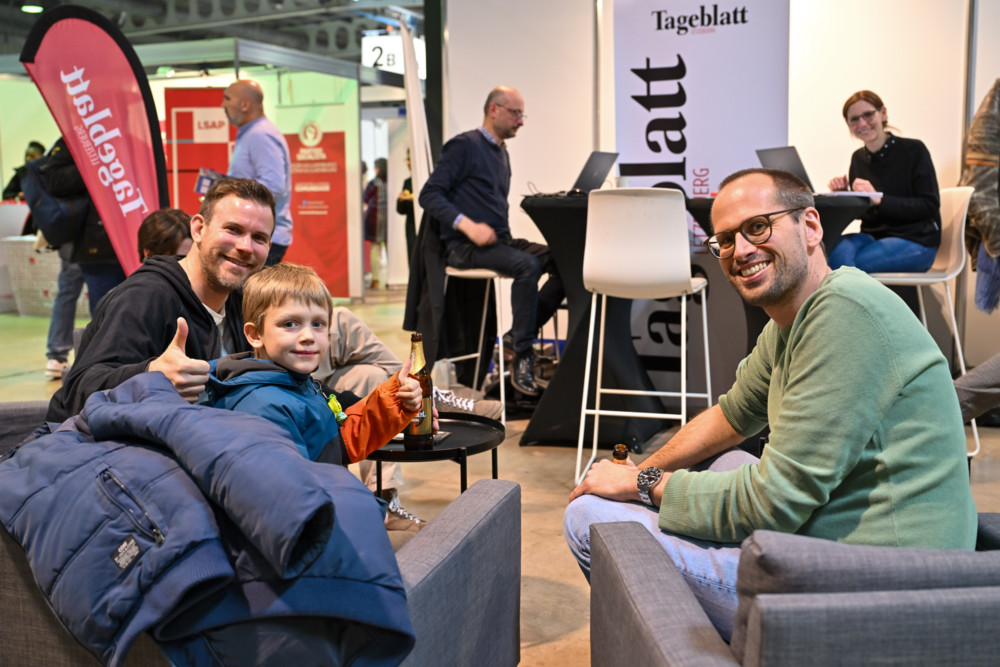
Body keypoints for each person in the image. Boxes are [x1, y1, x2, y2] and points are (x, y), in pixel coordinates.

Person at [563, 168, 977, 641]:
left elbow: (774, 502)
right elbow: (731, 415)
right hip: (849, 551)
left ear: (811, 226)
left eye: (758, 227)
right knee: (723, 462)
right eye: (725, 240)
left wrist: (641, 484)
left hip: (885, 592)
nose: (740, 251)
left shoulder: (845, 315)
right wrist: (642, 471)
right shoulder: (796, 320)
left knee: (586, 518)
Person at [46, 177, 274, 423]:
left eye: (259, 238)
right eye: (233, 229)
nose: (246, 247)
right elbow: (77, 394)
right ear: (198, 229)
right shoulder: (145, 297)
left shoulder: (243, 302)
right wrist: (151, 375)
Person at [202, 262, 421, 485]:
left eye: (318, 323)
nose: (308, 336)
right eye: (290, 324)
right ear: (255, 334)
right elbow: (293, 491)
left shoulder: (297, 384)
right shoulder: (265, 408)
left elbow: (339, 444)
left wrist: (396, 400)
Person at [419, 85, 564, 396]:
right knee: (527, 266)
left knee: (565, 260)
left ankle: (514, 338)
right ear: (493, 109)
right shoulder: (464, 146)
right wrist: (467, 225)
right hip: (464, 247)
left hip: (499, 242)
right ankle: (522, 354)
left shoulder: (501, 152)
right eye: (515, 113)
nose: (520, 121)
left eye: (522, 115)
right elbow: (429, 194)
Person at [827, 90, 941, 273]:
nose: (862, 123)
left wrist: (880, 200)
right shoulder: (858, 158)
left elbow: (929, 205)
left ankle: (850, 292)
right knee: (830, 255)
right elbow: (867, 214)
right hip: (873, 236)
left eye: (868, 115)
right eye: (854, 119)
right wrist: (845, 197)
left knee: (849, 268)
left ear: (883, 114)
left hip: (917, 239)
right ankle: (848, 291)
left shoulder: (914, 150)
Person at [222, 79, 292, 266]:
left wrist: (234, 193)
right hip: (253, 235)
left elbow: (274, 185)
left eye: (227, 98)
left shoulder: (260, 135)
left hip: (259, 237)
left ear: (245, 104)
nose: (223, 105)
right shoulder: (252, 133)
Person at [364, 157, 388, 288]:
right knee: (389, 248)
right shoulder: (391, 182)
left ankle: (375, 279)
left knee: (375, 248)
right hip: (389, 220)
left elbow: (365, 198)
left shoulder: (374, 183)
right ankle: (392, 278)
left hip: (374, 220)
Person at [397, 148, 417, 263]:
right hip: (411, 225)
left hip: (425, 225)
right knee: (412, 256)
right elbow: (401, 211)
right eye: (407, 159)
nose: (408, 163)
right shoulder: (407, 182)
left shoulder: (427, 180)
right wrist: (401, 200)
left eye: (410, 159)